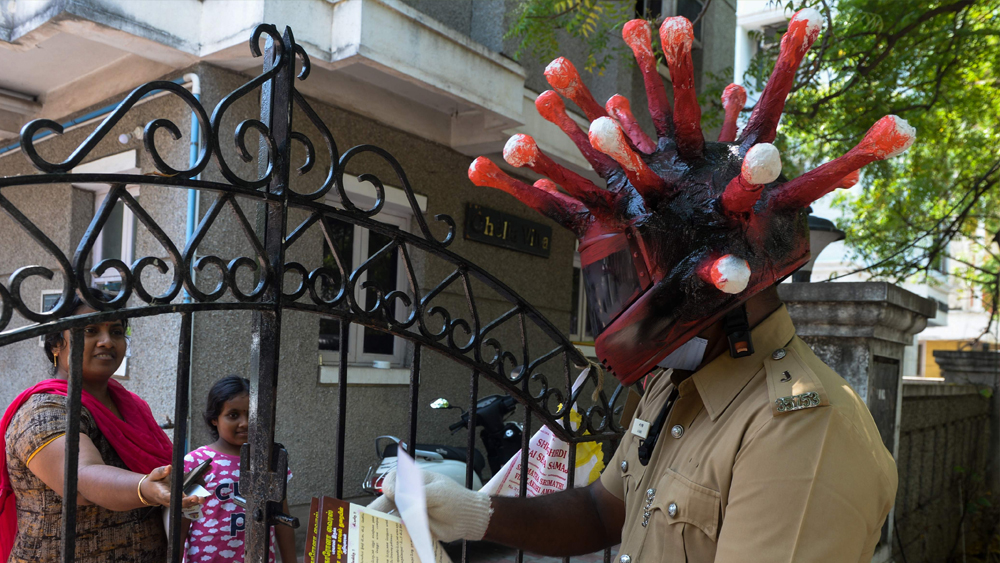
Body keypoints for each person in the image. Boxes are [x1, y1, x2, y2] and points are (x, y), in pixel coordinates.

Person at [373, 8, 914, 562]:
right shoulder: (676, 380)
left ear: (718, 284)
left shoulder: (800, 433)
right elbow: (600, 511)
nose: (614, 315)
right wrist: (473, 512)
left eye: (628, 279)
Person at [0, 289, 202, 562]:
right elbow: (81, 478)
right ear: (56, 343)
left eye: (116, 331)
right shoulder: (43, 412)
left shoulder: (132, 406)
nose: (107, 341)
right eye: (90, 330)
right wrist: (144, 487)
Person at [180, 375, 295, 563]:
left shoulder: (270, 462)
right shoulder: (196, 461)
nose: (245, 423)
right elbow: (182, 523)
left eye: (252, 415)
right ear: (214, 419)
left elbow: (282, 518)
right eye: (233, 415)